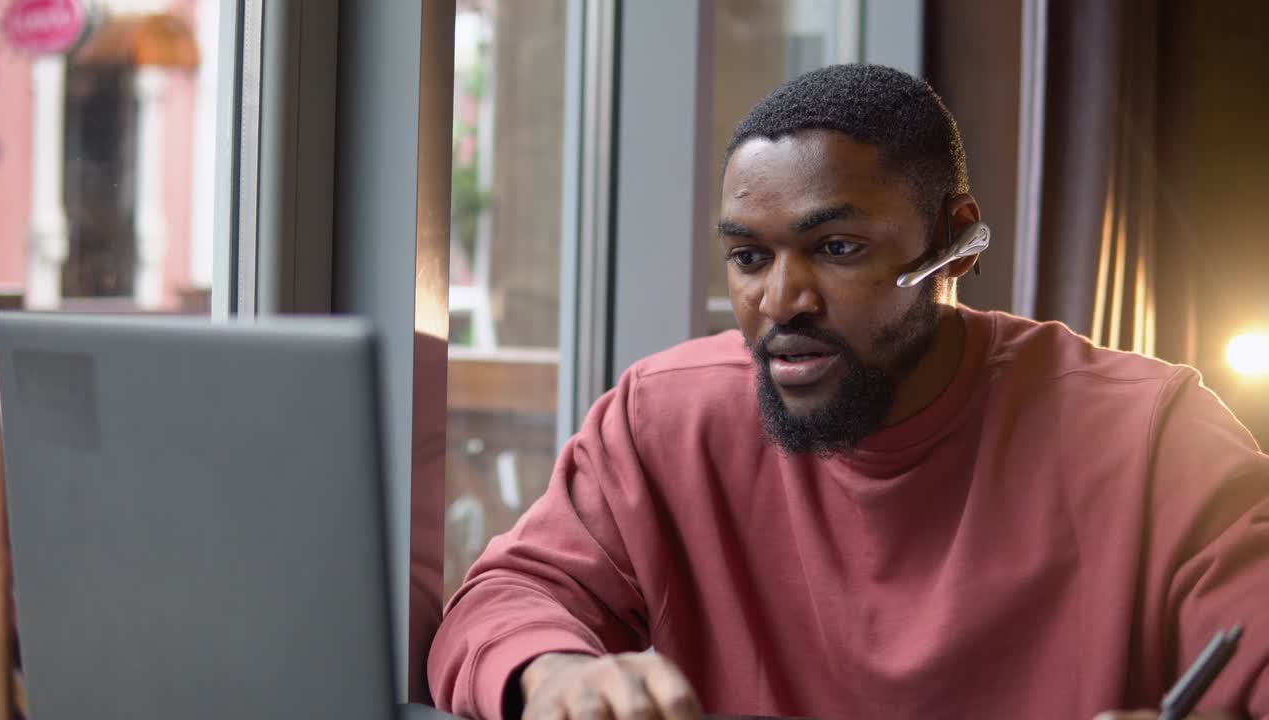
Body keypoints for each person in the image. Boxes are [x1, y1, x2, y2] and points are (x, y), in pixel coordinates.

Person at [428, 64, 1269, 720]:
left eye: (835, 248)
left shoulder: (1152, 435)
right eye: (749, 258)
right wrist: (554, 674)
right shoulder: (663, 421)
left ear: (955, 242)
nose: (781, 302)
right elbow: (504, 601)